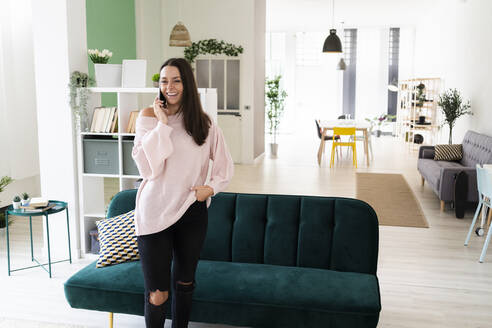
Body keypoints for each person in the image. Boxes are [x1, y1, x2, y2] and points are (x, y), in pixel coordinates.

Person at [131, 57, 234, 328]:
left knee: (185, 283)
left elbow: (225, 167)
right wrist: (163, 125)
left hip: (191, 211)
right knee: (157, 293)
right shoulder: (148, 118)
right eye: (164, 80)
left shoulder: (205, 124)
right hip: (154, 213)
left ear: (187, 83)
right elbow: (147, 168)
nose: (170, 86)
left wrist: (210, 188)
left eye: (176, 80)